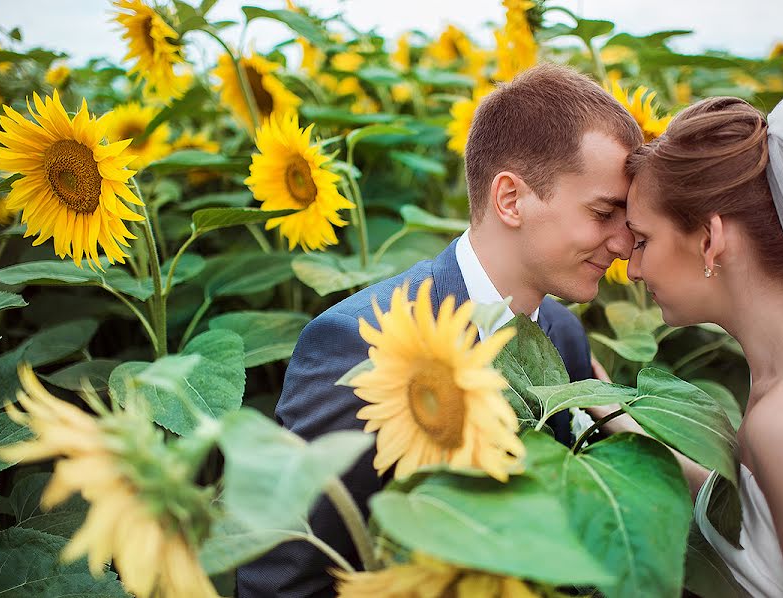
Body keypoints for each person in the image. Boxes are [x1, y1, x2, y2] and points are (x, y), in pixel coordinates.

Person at [236, 62, 643, 597]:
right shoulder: (360, 339)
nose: (622, 242)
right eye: (602, 213)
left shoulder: (563, 336)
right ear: (510, 199)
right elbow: (285, 577)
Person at [602, 92, 783, 597]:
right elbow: (752, 516)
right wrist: (614, 417)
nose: (632, 268)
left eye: (642, 240)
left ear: (710, 239)